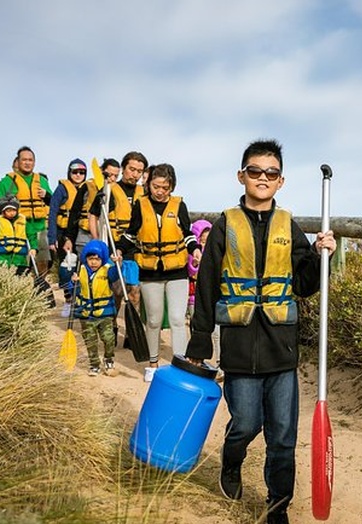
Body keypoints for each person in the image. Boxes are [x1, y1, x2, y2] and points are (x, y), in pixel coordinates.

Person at [185, 139, 336, 524]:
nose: (262, 178)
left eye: (271, 173)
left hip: (281, 349)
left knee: (283, 438)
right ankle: (232, 461)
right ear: (242, 176)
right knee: (246, 424)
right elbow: (206, 287)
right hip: (238, 348)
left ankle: (276, 508)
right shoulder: (224, 226)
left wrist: (323, 257)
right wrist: (200, 341)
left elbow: (304, 284)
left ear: (280, 181)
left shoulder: (290, 226)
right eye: (255, 171)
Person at [115, 163, 201, 374]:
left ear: (171, 186)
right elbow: (131, 234)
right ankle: (153, 365)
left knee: (177, 319)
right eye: (156, 186)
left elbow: (187, 233)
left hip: (177, 271)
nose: (160, 191)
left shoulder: (179, 205)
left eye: (165, 187)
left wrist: (195, 249)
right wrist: (118, 249)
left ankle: (180, 366)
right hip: (150, 272)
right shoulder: (140, 205)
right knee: (153, 320)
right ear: (148, 184)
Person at [89, 152, 146, 344]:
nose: (135, 174)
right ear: (123, 169)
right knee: (115, 293)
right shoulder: (109, 190)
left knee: (134, 292)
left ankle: (131, 335)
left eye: (139, 171)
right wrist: (97, 242)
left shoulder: (143, 193)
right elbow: (94, 215)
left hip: (134, 249)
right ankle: (111, 328)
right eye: (132, 169)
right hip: (113, 248)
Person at [0, 146, 53, 278]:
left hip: (40, 229)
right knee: (20, 267)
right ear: (18, 162)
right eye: (24, 160)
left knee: (42, 265)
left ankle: (41, 291)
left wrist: (46, 195)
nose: (27, 162)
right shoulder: (7, 182)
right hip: (18, 230)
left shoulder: (41, 181)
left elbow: (52, 203)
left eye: (30, 160)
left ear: (34, 162)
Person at [71, 239, 120, 377]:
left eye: (97, 259)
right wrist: (72, 282)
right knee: (90, 341)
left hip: (104, 313)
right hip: (86, 314)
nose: (93, 262)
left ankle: (109, 359)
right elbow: (71, 289)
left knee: (109, 338)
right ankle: (94, 364)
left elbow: (116, 275)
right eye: (90, 259)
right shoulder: (80, 271)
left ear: (102, 260)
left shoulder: (107, 271)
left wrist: (117, 263)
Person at [49, 158, 88, 317]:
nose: (78, 175)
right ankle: (68, 298)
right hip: (63, 232)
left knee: (80, 267)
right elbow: (52, 213)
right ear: (69, 173)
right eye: (75, 172)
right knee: (66, 268)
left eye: (82, 172)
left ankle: (79, 301)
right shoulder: (62, 189)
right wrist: (52, 238)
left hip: (79, 232)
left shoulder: (87, 189)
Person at [187, 218, 221, 376]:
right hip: (194, 300)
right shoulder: (193, 256)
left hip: (215, 299)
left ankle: (220, 364)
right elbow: (191, 271)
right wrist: (195, 263)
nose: (205, 243)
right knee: (198, 330)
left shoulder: (217, 255)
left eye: (209, 240)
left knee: (217, 332)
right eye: (202, 240)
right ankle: (198, 361)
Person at [67, 158, 119, 254]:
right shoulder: (87, 186)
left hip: (106, 236)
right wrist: (69, 238)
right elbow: (75, 212)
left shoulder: (116, 190)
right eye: (109, 175)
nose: (112, 178)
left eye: (116, 176)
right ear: (101, 171)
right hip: (85, 235)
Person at [0, 195, 35, 276]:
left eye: (14, 210)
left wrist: (33, 248)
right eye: (8, 211)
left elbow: (32, 236)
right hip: (2, 258)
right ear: (3, 211)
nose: (12, 213)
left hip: (20, 259)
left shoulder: (24, 222)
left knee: (21, 276)